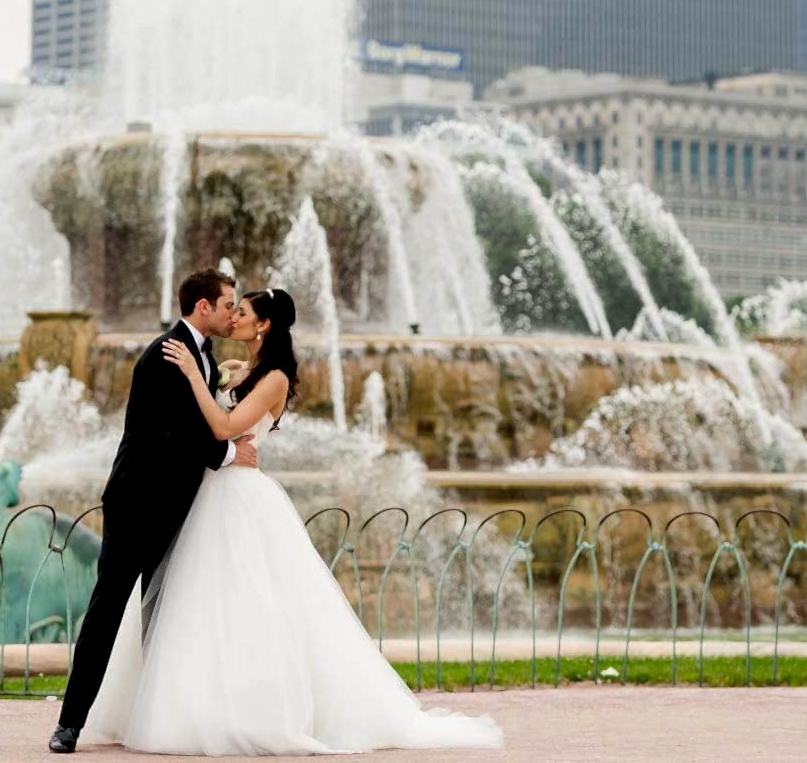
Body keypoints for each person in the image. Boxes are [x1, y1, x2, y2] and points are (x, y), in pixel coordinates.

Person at [79, 287, 503, 756]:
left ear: (263, 325)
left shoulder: (275, 378)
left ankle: (252, 711)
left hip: (238, 500)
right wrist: (212, 380)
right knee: (202, 605)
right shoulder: (246, 371)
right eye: (231, 308)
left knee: (249, 604)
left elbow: (222, 428)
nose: (234, 317)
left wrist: (194, 378)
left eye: (242, 312)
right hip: (209, 494)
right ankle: (198, 702)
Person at [49, 269, 258, 754]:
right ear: (203, 306)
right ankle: (69, 724)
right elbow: (180, 431)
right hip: (137, 504)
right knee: (108, 610)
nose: (232, 313)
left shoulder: (201, 358)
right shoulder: (167, 355)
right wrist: (230, 456)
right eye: (228, 304)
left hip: (178, 508)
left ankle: (161, 721)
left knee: (165, 616)